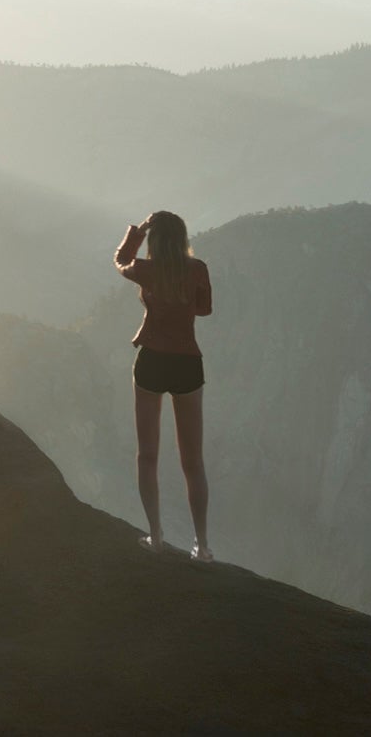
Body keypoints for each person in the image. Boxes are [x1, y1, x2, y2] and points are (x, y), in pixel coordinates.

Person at [116, 210, 214, 562]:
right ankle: (202, 546)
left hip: (152, 361)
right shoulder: (197, 269)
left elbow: (121, 260)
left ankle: (156, 537)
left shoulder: (146, 270)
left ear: (155, 240)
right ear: (183, 237)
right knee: (193, 461)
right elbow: (204, 309)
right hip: (188, 363)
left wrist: (137, 233)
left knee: (147, 455)